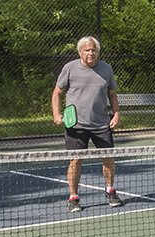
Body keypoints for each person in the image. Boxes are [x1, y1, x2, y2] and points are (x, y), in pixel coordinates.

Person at [52, 36, 123, 212]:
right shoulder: (69, 68)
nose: (91, 53)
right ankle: (73, 197)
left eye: (94, 50)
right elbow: (57, 92)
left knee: (108, 159)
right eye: (87, 50)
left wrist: (116, 114)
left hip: (101, 124)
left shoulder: (106, 68)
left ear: (98, 52)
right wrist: (56, 113)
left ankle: (110, 190)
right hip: (76, 125)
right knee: (75, 160)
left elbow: (112, 94)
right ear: (80, 52)